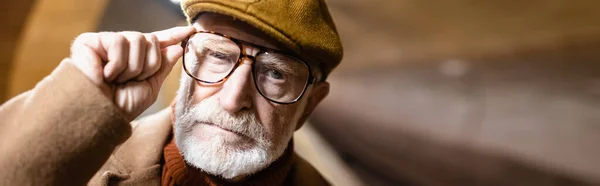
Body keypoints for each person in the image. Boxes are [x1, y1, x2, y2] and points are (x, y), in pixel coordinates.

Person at [0, 0, 343, 185]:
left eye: (274, 73)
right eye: (219, 55)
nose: (232, 98)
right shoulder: (84, 162)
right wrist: (83, 100)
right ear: (184, 55)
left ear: (309, 105)